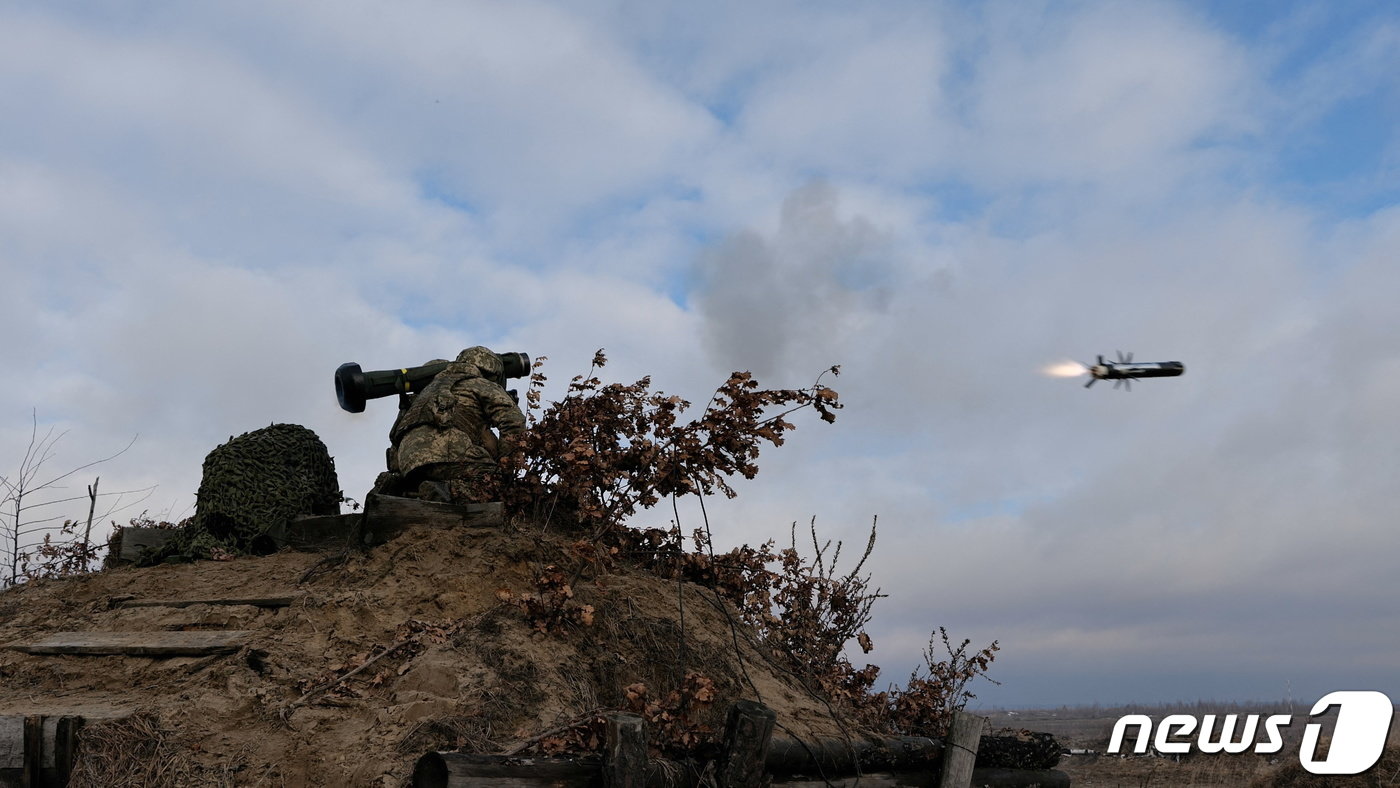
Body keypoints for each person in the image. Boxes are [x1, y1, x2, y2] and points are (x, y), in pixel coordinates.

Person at [379, 346, 525, 503]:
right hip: (449, 454)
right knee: (494, 483)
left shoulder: (426, 391)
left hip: (408, 462)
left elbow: (395, 436)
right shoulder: (480, 384)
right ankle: (447, 491)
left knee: (428, 478)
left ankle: (400, 488)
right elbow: (514, 422)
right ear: (493, 372)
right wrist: (507, 467)